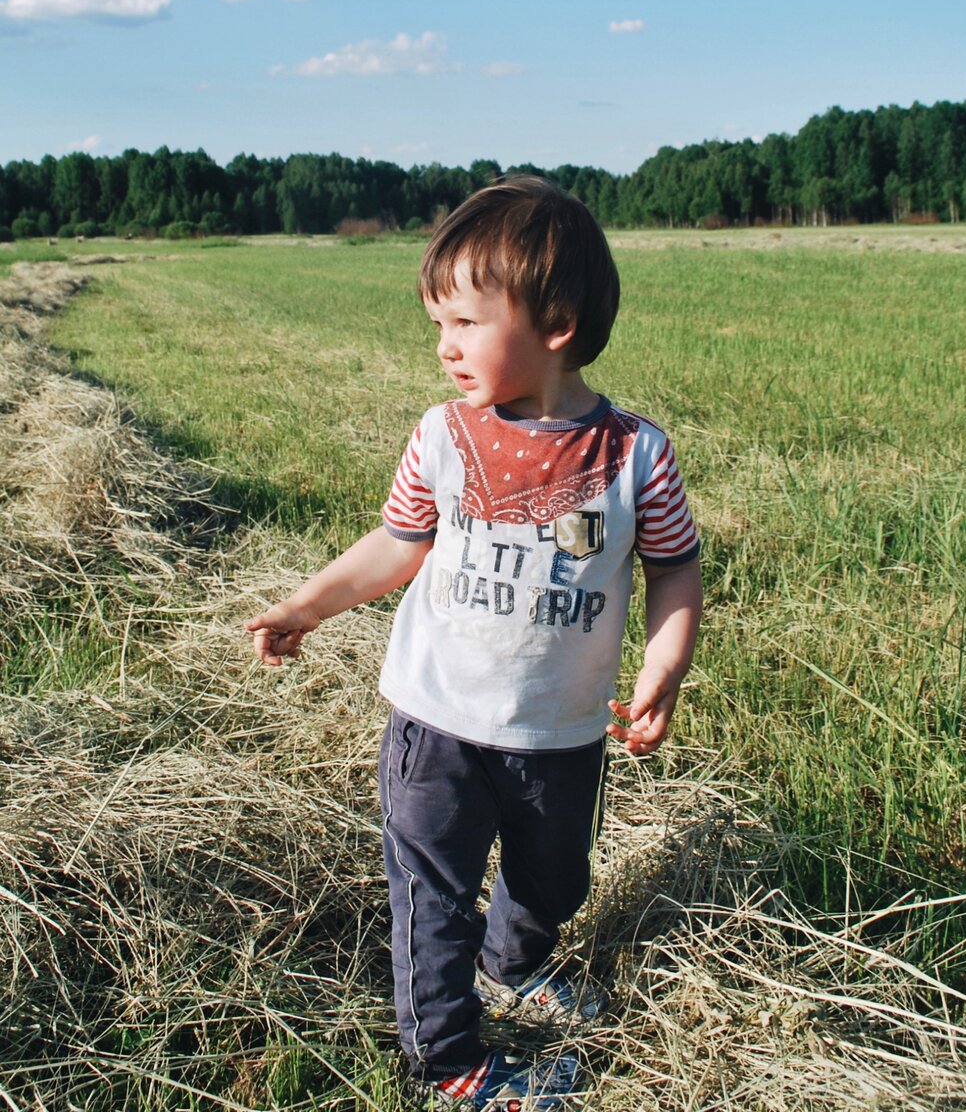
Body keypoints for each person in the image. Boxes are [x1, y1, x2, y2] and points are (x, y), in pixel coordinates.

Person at [245, 176, 702, 1109]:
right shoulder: (442, 437)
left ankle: (516, 968)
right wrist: (308, 605)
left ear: (557, 322)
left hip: (560, 735)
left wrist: (664, 663)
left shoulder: (634, 456)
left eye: (464, 322)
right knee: (434, 903)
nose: (443, 346)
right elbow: (397, 545)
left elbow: (674, 571)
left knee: (553, 884)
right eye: (437, 323)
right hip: (437, 728)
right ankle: (449, 1063)